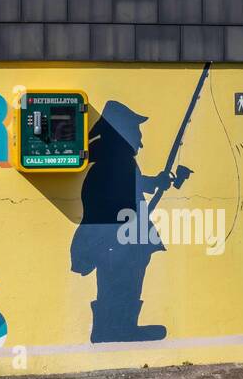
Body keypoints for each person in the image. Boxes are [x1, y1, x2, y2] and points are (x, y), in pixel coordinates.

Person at [70, 100, 181, 343]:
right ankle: (115, 329)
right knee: (122, 282)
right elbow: (127, 189)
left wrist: (155, 183)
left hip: (117, 238)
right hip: (117, 240)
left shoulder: (115, 160)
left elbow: (132, 186)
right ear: (121, 131)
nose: (140, 140)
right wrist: (155, 184)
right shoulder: (116, 162)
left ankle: (115, 327)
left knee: (120, 282)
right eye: (135, 131)